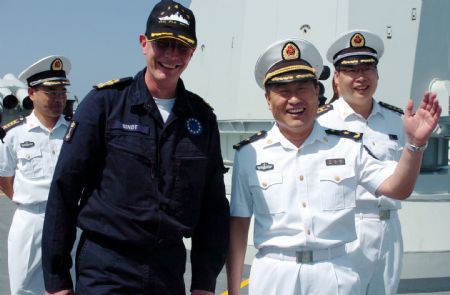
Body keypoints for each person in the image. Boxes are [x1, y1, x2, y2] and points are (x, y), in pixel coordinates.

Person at [41, 1, 230, 295]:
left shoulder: (201, 118)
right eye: (162, 44)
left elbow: (213, 207)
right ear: (144, 43)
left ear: (192, 52)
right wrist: (57, 280)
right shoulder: (104, 105)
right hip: (106, 267)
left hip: (168, 268)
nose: (171, 55)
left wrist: (204, 283)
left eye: (181, 47)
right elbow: (65, 189)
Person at [226, 38, 440, 295]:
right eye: (283, 91)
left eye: (303, 88)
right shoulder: (249, 154)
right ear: (268, 99)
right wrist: (234, 289)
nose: (294, 99)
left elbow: (397, 188)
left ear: (317, 92)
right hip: (274, 275)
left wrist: (415, 145)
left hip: (335, 273)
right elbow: (239, 226)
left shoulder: (348, 147)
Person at [317, 29, 408, 294]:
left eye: (367, 68)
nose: (360, 77)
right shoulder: (320, 123)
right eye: (351, 69)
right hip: (344, 226)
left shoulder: (397, 121)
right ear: (336, 78)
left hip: (389, 228)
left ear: (377, 74)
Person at [0, 55, 71, 295]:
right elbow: (5, 178)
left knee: (69, 284)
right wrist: (32, 202)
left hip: (70, 219)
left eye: (62, 92)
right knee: (24, 287)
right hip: (31, 221)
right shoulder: (13, 135)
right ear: (31, 92)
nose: (58, 99)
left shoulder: (77, 131)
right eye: (51, 92)